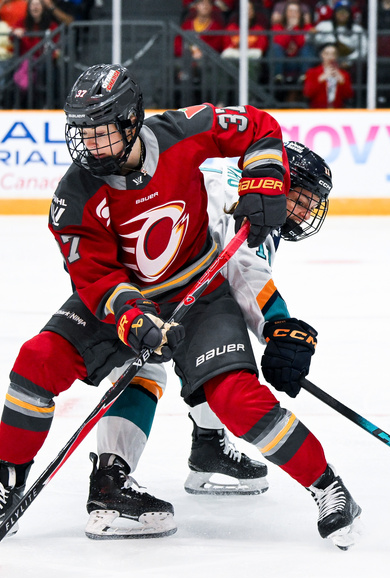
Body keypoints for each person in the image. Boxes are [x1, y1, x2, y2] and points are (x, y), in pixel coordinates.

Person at [0, 63, 362, 550]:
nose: (90, 147)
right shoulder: (74, 196)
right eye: (83, 135)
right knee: (37, 360)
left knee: (236, 396)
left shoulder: (183, 131)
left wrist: (267, 178)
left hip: (201, 291)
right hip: (126, 298)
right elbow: (95, 277)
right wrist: (133, 319)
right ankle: (8, 487)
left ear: (130, 123)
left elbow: (257, 128)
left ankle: (327, 489)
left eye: (102, 134)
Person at [87, 138, 335, 521]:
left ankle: (206, 446)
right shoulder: (250, 203)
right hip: (139, 287)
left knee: (210, 353)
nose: (303, 213)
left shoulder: (235, 177)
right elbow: (246, 272)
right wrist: (278, 326)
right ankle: (110, 481)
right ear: (281, 182)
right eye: (300, 199)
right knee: (148, 367)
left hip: (137, 275)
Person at [270, 0, 315, 88]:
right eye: (290, 11)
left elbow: (302, 43)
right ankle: (278, 76)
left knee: (308, 47)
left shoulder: (307, 27)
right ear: (285, 13)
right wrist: (290, 29)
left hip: (299, 61)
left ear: (300, 14)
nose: (293, 14)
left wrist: (295, 28)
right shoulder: (277, 27)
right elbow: (280, 43)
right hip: (283, 61)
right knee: (275, 48)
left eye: (296, 11)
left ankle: (304, 76)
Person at [312, 0, 366, 68]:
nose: (342, 14)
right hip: (324, 61)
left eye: (345, 12)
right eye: (340, 12)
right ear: (334, 13)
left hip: (349, 63)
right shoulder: (324, 26)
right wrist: (312, 35)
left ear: (350, 14)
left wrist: (348, 61)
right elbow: (313, 42)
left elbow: (363, 50)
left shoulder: (357, 29)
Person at [303, 42, 355, 108]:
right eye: (327, 54)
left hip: (337, 112)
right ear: (322, 55)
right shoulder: (312, 72)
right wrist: (320, 79)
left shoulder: (344, 74)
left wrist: (342, 82)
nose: (330, 57)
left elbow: (349, 95)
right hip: (317, 111)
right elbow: (307, 93)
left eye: (333, 54)